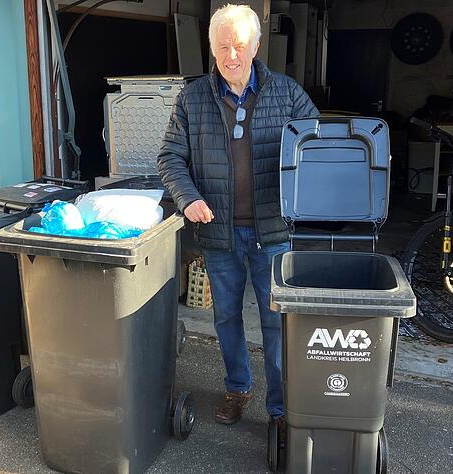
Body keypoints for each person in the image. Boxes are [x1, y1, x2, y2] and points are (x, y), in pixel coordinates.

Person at [157, 4, 319, 427]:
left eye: (240, 45)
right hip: (219, 232)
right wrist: (187, 198)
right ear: (212, 49)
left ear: (256, 47)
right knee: (226, 317)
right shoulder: (192, 98)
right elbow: (170, 157)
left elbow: (316, 147)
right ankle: (237, 387)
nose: (232, 55)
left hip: (274, 231)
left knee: (276, 321)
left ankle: (280, 407)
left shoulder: (287, 93)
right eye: (223, 46)